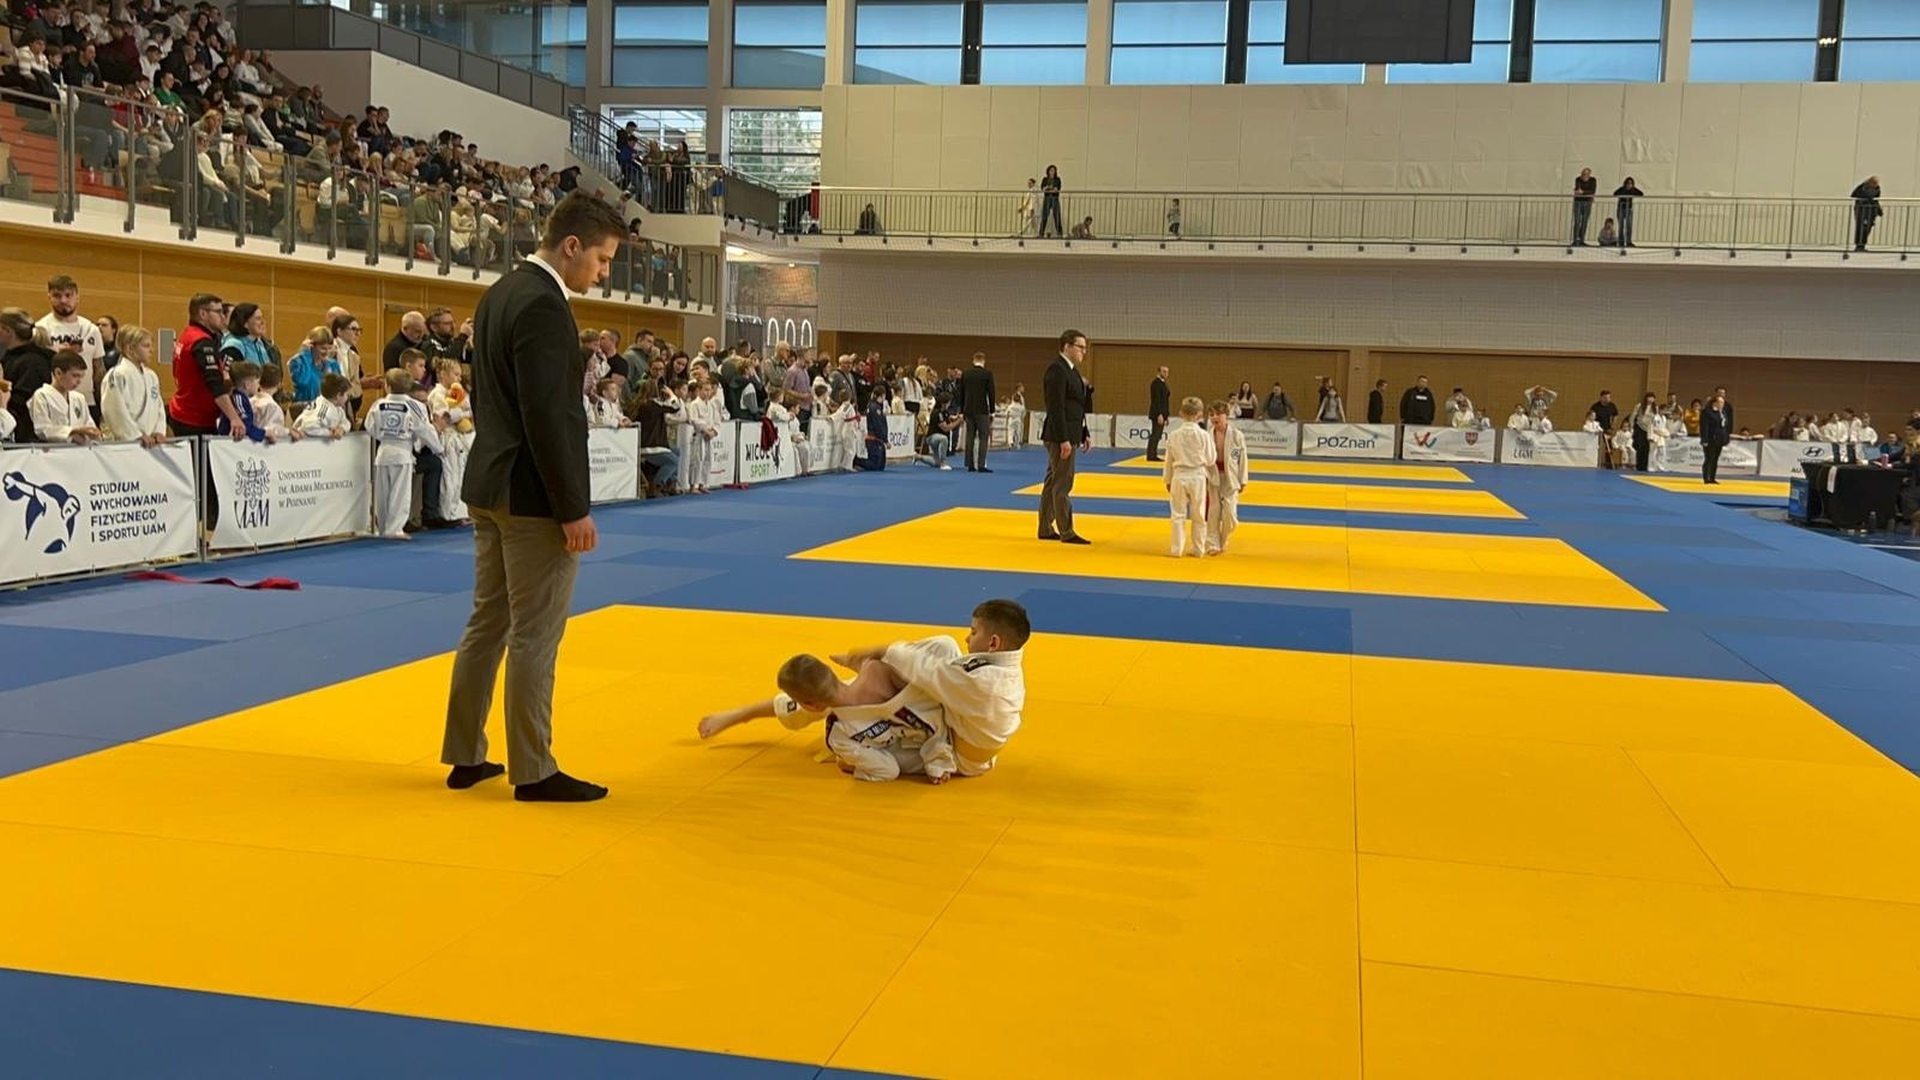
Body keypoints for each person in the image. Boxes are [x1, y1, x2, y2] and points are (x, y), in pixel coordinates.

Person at [443, 192, 625, 804]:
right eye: (601, 259)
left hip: (490, 481)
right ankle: (534, 768)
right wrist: (571, 507)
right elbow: (549, 416)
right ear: (571, 246)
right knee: (535, 633)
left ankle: (465, 753)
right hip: (530, 494)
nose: (603, 273)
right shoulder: (545, 305)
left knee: (488, 622)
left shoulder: (499, 293)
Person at [828, 599, 1030, 778]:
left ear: (993, 643)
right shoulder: (1002, 665)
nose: (968, 639)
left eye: (974, 632)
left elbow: (928, 670)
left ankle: (851, 691)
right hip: (957, 723)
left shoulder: (987, 683)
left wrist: (881, 650)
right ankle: (864, 679)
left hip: (958, 756)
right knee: (944, 645)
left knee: (914, 692)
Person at [696, 654, 956, 784]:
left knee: (809, 706)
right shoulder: (879, 669)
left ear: (812, 704)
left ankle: (740, 715)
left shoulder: (840, 736)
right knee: (802, 705)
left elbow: (888, 771)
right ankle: (739, 715)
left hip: (939, 736)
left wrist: (852, 765)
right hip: (937, 716)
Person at [367, 369, 441, 537]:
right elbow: (425, 429)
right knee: (400, 492)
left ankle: (383, 527)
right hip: (402, 453)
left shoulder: (378, 405)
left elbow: (370, 427)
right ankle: (395, 529)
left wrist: (384, 435)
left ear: (387, 386)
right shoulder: (414, 406)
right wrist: (437, 448)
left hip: (383, 452)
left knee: (382, 493)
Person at [1039, 329, 1091, 544]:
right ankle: (1066, 530)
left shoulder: (1072, 371)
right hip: (1060, 435)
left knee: (1053, 481)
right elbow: (1056, 407)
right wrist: (1063, 439)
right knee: (1063, 483)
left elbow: (1076, 407)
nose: (1084, 352)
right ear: (1067, 346)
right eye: (1080, 347)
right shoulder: (1057, 370)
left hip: (1071, 432)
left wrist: (1084, 432)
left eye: (1085, 348)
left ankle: (1045, 527)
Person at [100, 325, 166, 447]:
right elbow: (114, 409)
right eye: (146, 346)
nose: (151, 350)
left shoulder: (151, 376)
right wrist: (135, 435)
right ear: (130, 348)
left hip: (150, 441)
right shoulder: (117, 374)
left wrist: (158, 431)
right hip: (126, 442)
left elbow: (158, 406)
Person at [1162, 396, 1211, 558]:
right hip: (1198, 476)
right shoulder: (1204, 435)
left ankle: (1176, 549)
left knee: (1177, 515)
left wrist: (1167, 479)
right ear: (1200, 414)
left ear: (1181, 413)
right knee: (1199, 515)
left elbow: (1169, 460)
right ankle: (1199, 549)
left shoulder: (1174, 435)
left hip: (1179, 475)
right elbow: (1211, 458)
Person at [1205, 400, 1248, 556]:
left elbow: (1242, 459)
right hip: (1213, 476)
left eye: (1218, 414)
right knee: (1213, 511)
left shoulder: (1237, 435)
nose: (1215, 417)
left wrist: (1243, 479)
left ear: (1226, 415)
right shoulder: (1207, 435)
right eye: (1211, 414)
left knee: (1230, 515)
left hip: (1231, 477)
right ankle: (1212, 544)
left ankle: (1223, 540)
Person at [29, 352, 100, 444]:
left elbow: (89, 425)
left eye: (81, 376)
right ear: (58, 373)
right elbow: (42, 429)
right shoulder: (42, 395)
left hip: (81, 449)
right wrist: (73, 431)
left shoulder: (79, 398)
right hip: (54, 449)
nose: (79, 381)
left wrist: (92, 433)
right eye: (75, 375)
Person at [684, 379, 723, 492]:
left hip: (708, 436)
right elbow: (694, 420)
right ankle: (693, 485)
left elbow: (717, 421)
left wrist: (713, 432)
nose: (708, 392)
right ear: (699, 390)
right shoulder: (694, 404)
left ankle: (703, 484)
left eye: (709, 390)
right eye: (705, 390)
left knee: (707, 460)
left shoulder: (712, 405)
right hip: (698, 435)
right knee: (696, 460)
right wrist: (706, 430)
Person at [960, 351, 996, 473]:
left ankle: (970, 464)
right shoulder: (987, 374)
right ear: (983, 361)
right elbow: (991, 393)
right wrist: (992, 410)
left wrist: (962, 410)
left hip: (968, 409)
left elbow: (961, 393)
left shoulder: (966, 374)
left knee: (970, 436)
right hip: (982, 409)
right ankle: (981, 464)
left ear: (973, 360)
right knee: (983, 437)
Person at [296, 373, 354, 439]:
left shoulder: (337, 408)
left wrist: (342, 428)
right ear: (338, 395)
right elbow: (307, 427)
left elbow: (346, 422)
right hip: (304, 442)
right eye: (346, 394)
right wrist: (329, 433)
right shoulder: (324, 410)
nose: (348, 397)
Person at [1700, 391, 1731, 484]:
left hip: (1719, 440)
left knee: (1715, 459)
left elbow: (1724, 426)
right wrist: (1704, 439)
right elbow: (1704, 427)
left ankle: (1712, 477)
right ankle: (1706, 477)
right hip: (1710, 439)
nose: (1722, 404)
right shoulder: (1707, 412)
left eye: (1723, 402)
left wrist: (1725, 438)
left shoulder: (1723, 413)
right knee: (1709, 458)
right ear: (1715, 403)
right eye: (1720, 402)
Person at [1146, 365, 1170, 462]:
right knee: (1155, 434)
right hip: (1157, 414)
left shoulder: (1163, 384)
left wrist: (1166, 416)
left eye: (1167, 372)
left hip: (1162, 414)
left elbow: (1165, 401)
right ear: (1159, 372)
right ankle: (1151, 455)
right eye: (1164, 371)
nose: (1166, 374)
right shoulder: (1156, 383)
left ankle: (1153, 454)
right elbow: (1157, 400)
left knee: (1158, 434)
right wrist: (1159, 414)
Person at [1852, 176, 1881, 252]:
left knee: (1867, 229)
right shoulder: (1863, 187)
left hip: (1871, 212)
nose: (1875, 185)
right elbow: (1854, 194)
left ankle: (1862, 245)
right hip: (1862, 211)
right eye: (1874, 183)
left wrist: (1878, 210)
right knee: (1861, 228)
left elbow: (1876, 201)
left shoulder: (1877, 189)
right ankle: (1859, 245)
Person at [1631, 392, 1658, 472]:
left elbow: (1655, 419)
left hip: (1649, 429)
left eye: (1652, 398)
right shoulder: (1639, 406)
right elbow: (1633, 415)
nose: (1651, 399)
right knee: (1640, 446)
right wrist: (1631, 426)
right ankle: (1639, 465)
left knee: (1647, 448)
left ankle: (1645, 466)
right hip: (1639, 427)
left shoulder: (1655, 408)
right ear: (1646, 398)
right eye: (1649, 397)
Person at [1614, 177, 1643, 246]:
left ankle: (1628, 241)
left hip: (1629, 209)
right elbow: (1615, 193)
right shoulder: (1622, 189)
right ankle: (1621, 241)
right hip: (1621, 209)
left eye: (1630, 184)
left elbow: (1641, 194)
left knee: (1629, 226)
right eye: (1628, 183)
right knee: (1621, 226)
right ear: (1625, 184)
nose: (1629, 185)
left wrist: (1632, 191)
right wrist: (1624, 195)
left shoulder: (1633, 190)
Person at [1572, 167, 1596, 245]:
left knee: (1584, 221)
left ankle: (1581, 240)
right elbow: (1577, 190)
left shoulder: (1593, 180)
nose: (1584, 175)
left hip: (1587, 202)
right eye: (1583, 174)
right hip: (1578, 202)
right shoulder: (1578, 179)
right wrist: (1582, 192)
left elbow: (1592, 191)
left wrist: (1583, 192)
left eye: (1586, 174)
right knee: (1577, 221)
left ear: (1589, 174)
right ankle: (1575, 240)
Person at [1039, 165, 1063, 238]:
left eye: (1053, 170)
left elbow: (1057, 188)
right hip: (1047, 198)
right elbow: (1043, 188)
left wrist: (1051, 189)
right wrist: (1047, 188)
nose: (1052, 172)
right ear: (1048, 171)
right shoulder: (1045, 179)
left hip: (1055, 198)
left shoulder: (1057, 179)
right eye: (1051, 170)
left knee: (1057, 215)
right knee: (1044, 215)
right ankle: (1041, 233)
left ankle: (1059, 233)